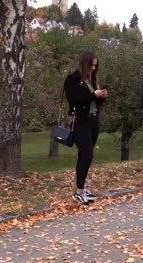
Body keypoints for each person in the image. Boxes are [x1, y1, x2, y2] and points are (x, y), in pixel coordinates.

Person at [64, 51, 108, 205]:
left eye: (96, 66)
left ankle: (80, 189)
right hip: (80, 123)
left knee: (84, 156)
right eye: (92, 65)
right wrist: (93, 95)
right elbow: (75, 101)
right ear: (85, 63)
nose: (94, 68)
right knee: (87, 155)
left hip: (93, 122)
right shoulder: (72, 80)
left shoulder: (92, 80)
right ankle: (78, 193)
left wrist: (101, 97)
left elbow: (93, 102)